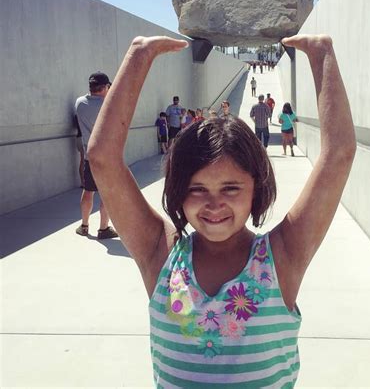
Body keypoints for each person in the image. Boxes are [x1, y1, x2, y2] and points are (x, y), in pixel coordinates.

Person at [87, 34, 355, 387]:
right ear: (178, 193)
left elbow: (338, 156)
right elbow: (103, 158)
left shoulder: (281, 257)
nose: (214, 204)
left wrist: (323, 55)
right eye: (197, 189)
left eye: (231, 188)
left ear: (256, 189)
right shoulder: (161, 254)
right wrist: (139, 56)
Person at [74, 72, 118, 239]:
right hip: (107, 158)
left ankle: (84, 226)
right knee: (106, 194)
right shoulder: (109, 106)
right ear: (105, 87)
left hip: (89, 156)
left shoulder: (79, 103)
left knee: (88, 191)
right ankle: (103, 229)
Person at [73, 114, 85, 187]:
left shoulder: (76, 116)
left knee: (82, 161)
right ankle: (84, 183)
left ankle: (82, 182)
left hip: (78, 138)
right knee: (85, 162)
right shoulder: (84, 115)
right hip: (84, 138)